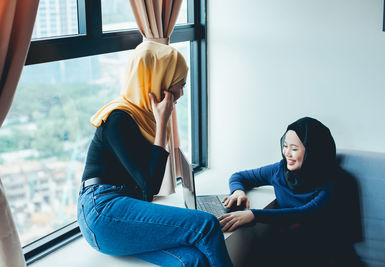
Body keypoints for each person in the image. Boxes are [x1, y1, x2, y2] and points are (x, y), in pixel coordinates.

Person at [77, 41, 233, 267]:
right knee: (206, 225)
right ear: (160, 83)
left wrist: (160, 123)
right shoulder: (118, 118)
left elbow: (146, 192)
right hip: (102, 212)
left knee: (192, 261)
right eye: (180, 85)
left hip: (119, 212)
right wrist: (163, 123)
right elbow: (150, 186)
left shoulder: (142, 118)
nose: (180, 93)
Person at [218, 117, 362, 266]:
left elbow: (305, 213)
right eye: (285, 146)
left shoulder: (334, 181)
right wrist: (238, 191)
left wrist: (254, 215)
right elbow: (239, 176)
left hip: (326, 252)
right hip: (291, 245)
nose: (287, 153)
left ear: (313, 151)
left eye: (294, 149)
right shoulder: (280, 170)